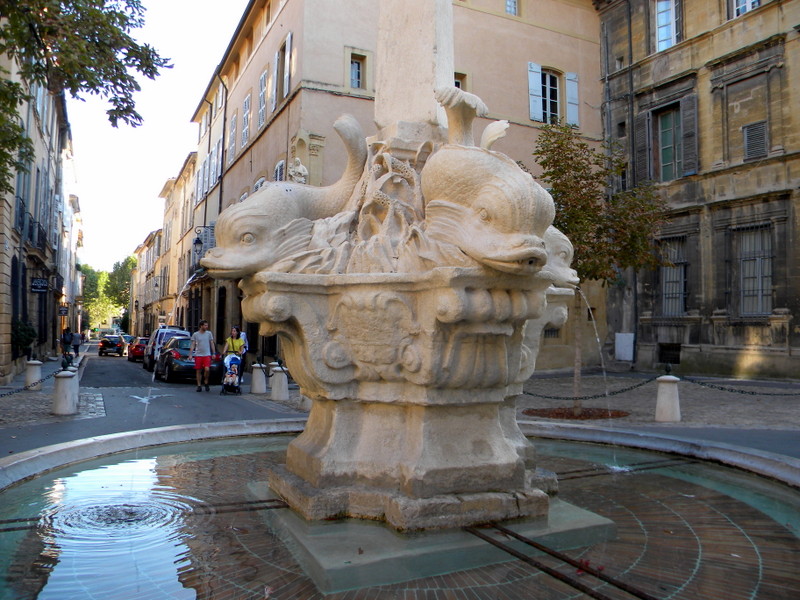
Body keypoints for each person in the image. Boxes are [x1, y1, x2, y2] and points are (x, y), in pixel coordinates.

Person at [189, 320, 215, 392]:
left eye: (207, 325)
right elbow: (193, 344)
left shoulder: (209, 334)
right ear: (201, 326)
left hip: (207, 354)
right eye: (205, 325)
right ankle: (199, 385)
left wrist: (213, 353)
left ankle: (206, 380)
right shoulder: (196, 334)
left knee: (207, 369)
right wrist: (191, 354)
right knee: (198, 370)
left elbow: (212, 343)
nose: (207, 327)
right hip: (198, 354)